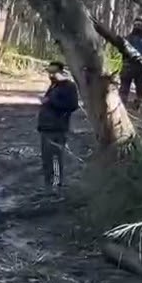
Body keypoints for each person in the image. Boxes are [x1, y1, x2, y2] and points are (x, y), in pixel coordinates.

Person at [38, 61, 80, 190]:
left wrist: (50, 101)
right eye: (49, 73)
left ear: (62, 72)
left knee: (56, 159)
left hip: (57, 128)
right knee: (46, 160)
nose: (51, 75)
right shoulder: (54, 85)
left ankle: (56, 187)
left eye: (54, 73)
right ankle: (48, 186)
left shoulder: (69, 86)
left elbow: (72, 106)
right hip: (46, 128)